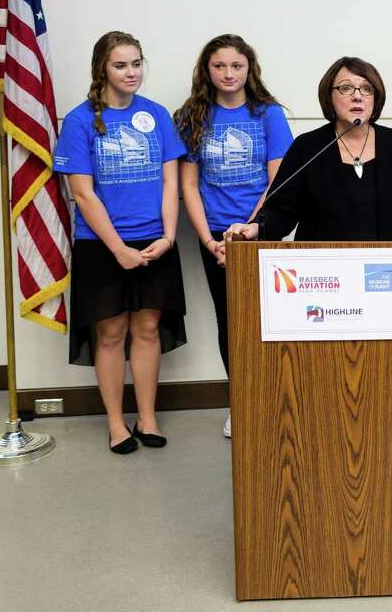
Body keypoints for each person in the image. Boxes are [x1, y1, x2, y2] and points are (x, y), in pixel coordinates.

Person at [53, 31, 187, 454]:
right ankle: (116, 423)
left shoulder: (157, 115)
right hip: (102, 244)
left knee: (147, 328)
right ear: (102, 69)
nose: (131, 73)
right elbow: (83, 194)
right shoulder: (79, 121)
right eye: (120, 65)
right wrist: (118, 250)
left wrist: (168, 236)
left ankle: (147, 416)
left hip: (154, 241)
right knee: (110, 332)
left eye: (136, 64)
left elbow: (171, 181)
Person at [173, 34, 293, 439]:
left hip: (260, 235)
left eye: (236, 66)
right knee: (230, 321)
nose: (228, 73)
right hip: (214, 240)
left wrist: (248, 233)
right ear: (207, 70)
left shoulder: (269, 114)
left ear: (249, 69)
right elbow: (189, 185)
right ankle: (240, 402)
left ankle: (275, 401)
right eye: (219, 66)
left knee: (268, 322)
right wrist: (211, 240)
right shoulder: (192, 115)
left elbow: (278, 180)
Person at [222, 56, 392, 245]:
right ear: (330, 96)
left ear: (375, 99)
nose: (357, 96)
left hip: (386, 276)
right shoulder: (309, 147)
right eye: (346, 88)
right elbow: (280, 212)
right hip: (323, 279)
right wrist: (254, 228)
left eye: (367, 89)